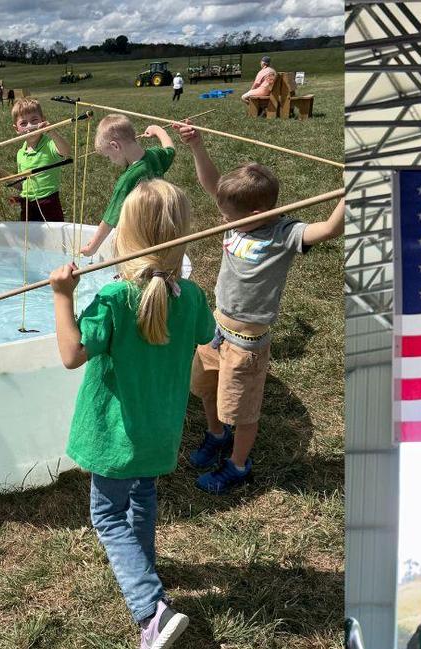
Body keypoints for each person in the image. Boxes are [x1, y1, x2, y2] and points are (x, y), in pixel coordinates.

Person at [49, 179, 214, 649]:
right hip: (159, 432)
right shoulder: (191, 296)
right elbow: (206, 335)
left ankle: (150, 610)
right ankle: (144, 566)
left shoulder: (114, 299)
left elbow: (71, 354)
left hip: (115, 438)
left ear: (125, 237)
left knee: (106, 515)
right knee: (142, 496)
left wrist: (62, 295)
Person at [176, 121, 345, 493]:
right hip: (214, 327)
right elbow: (214, 186)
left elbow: (329, 229)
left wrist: (354, 190)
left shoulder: (284, 233)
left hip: (246, 344)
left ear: (254, 212)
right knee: (205, 388)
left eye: (227, 216)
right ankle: (216, 435)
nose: (222, 219)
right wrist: (197, 145)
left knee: (242, 411)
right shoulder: (237, 218)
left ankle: (238, 466)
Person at [79, 114, 176, 257]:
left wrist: (92, 247)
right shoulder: (154, 156)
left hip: (141, 234)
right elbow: (171, 150)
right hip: (165, 223)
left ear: (115, 146)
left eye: (109, 156)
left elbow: (110, 218)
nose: (111, 161)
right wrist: (159, 130)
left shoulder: (129, 179)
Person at [0, 98, 71, 222]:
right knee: (28, 234)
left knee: (53, 233)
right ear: (16, 129)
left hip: (49, 203)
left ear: (43, 120)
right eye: (23, 123)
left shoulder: (50, 144)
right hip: (27, 204)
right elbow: (22, 184)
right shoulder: (20, 154)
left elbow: (66, 151)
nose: (29, 126)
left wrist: (52, 131)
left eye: (34, 120)